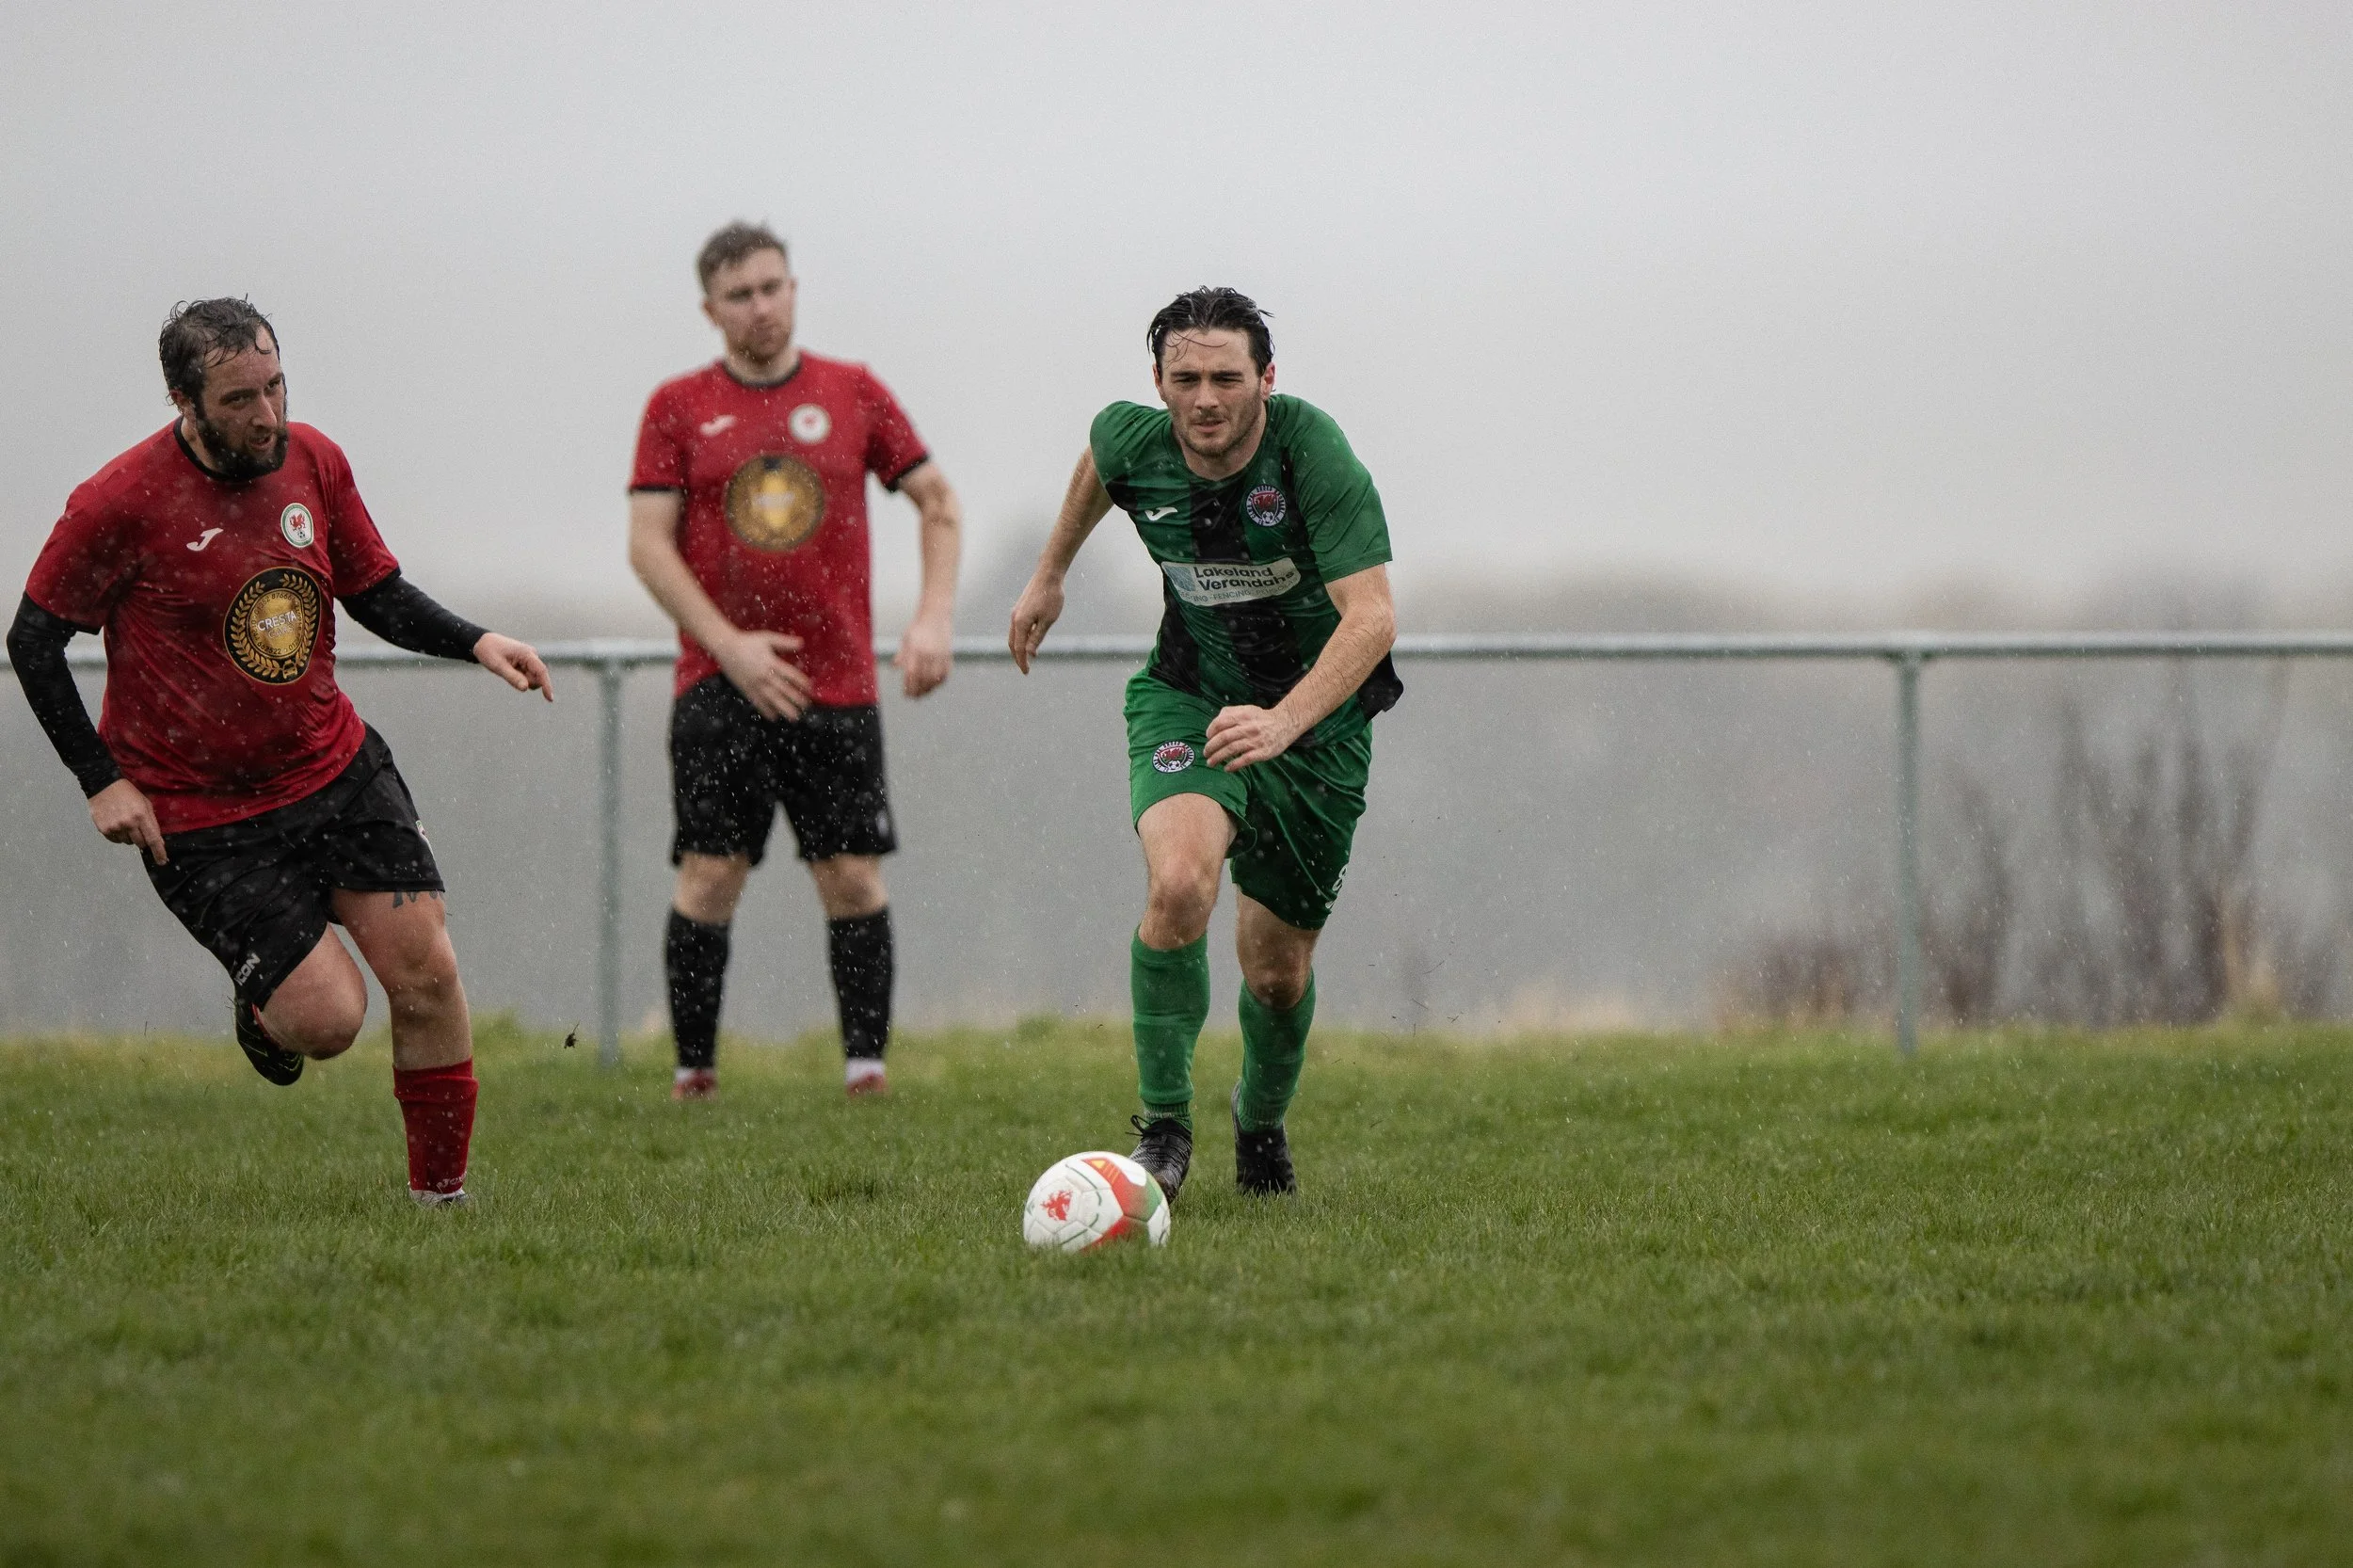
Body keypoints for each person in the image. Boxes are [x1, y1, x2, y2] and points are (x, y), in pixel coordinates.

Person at [7, 297, 554, 1206]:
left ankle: (443, 1206)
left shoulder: (314, 460)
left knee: (426, 972)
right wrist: (100, 780)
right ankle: (268, 1006)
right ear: (182, 399)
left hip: (334, 770)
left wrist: (476, 641)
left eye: (275, 386)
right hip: (201, 812)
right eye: (238, 401)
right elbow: (34, 642)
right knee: (331, 1023)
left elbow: (374, 589)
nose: (267, 416)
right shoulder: (118, 503)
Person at [1007, 287, 1400, 1199]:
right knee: (1180, 882)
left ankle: (1259, 1126)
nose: (1206, 398)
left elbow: (1371, 619)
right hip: (1187, 700)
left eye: (1227, 376)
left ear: (1267, 378)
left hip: (1315, 730)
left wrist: (1284, 720)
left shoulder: (1314, 456)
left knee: (1273, 973)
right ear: (1158, 382)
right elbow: (1102, 462)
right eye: (1184, 378)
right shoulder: (1132, 439)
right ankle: (1164, 1133)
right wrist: (1048, 574)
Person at [628, 222, 962, 1100]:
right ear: (710, 309)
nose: (761, 307)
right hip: (719, 682)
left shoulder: (851, 393)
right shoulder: (675, 406)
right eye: (740, 295)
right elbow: (648, 546)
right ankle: (693, 1073)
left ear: (795, 288)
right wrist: (728, 646)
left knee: (850, 876)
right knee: (710, 874)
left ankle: (866, 1072)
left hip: (836, 682)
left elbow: (937, 501)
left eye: (773, 287)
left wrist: (932, 618)